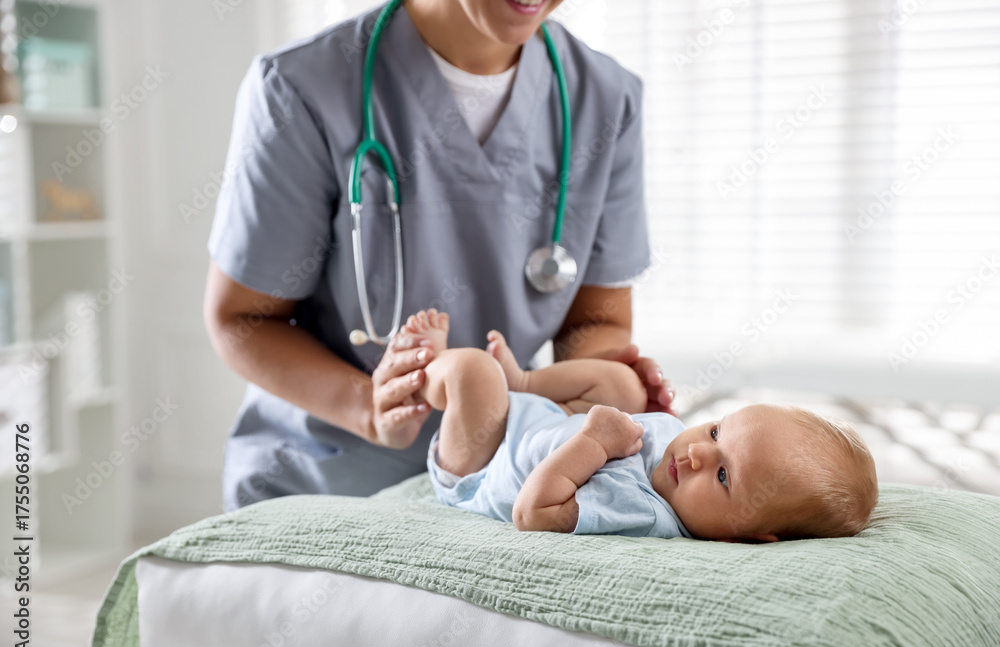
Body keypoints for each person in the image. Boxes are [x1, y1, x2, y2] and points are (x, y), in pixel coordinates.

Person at [204, 0, 674, 511]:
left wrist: (597, 387)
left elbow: (596, 318)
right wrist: (370, 408)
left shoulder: (605, 98)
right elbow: (242, 319)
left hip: (503, 485)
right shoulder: (303, 87)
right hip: (325, 483)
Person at [403, 309, 879, 541]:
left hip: (485, 464)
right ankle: (524, 379)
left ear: (753, 536)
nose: (697, 453)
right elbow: (642, 424)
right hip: (539, 421)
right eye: (716, 432)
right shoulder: (680, 458)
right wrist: (635, 412)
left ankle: (426, 371)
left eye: (722, 477)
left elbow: (532, 513)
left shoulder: (641, 511)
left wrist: (592, 441)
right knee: (625, 386)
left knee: (473, 373)